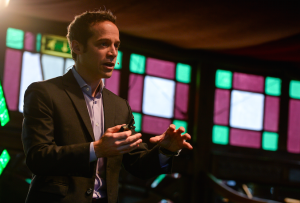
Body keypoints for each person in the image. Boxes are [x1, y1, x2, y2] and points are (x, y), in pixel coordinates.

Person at [21, 10, 193, 203]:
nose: (113, 53)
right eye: (103, 44)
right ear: (77, 47)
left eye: (116, 45)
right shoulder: (44, 93)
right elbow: (38, 158)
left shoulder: (120, 107)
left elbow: (137, 165)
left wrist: (165, 151)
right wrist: (97, 149)